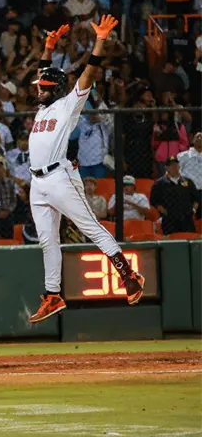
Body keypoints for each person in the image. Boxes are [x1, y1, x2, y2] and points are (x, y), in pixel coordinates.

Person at [27, 17, 143, 323]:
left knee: (89, 227)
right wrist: (48, 48)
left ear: (56, 89)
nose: (39, 89)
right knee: (47, 241)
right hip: (36, 182)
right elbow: (44, 74)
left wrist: (100, 40)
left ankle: (129, 276)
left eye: (45, 87)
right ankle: (53, 296)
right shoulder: (43, 106)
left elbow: (89, 74)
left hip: (58, 176)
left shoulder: (68, 104)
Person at [150, 156, 198, 234]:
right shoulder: (159, 183)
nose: (174, 167)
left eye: (176, 165)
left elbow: (196, 198)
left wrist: (193, 210)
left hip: (187, 218)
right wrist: (165, 212)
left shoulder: (187, 181)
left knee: (189, 239)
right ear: (166, 168)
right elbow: (154, 201)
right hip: (170, 220)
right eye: (172, 165)